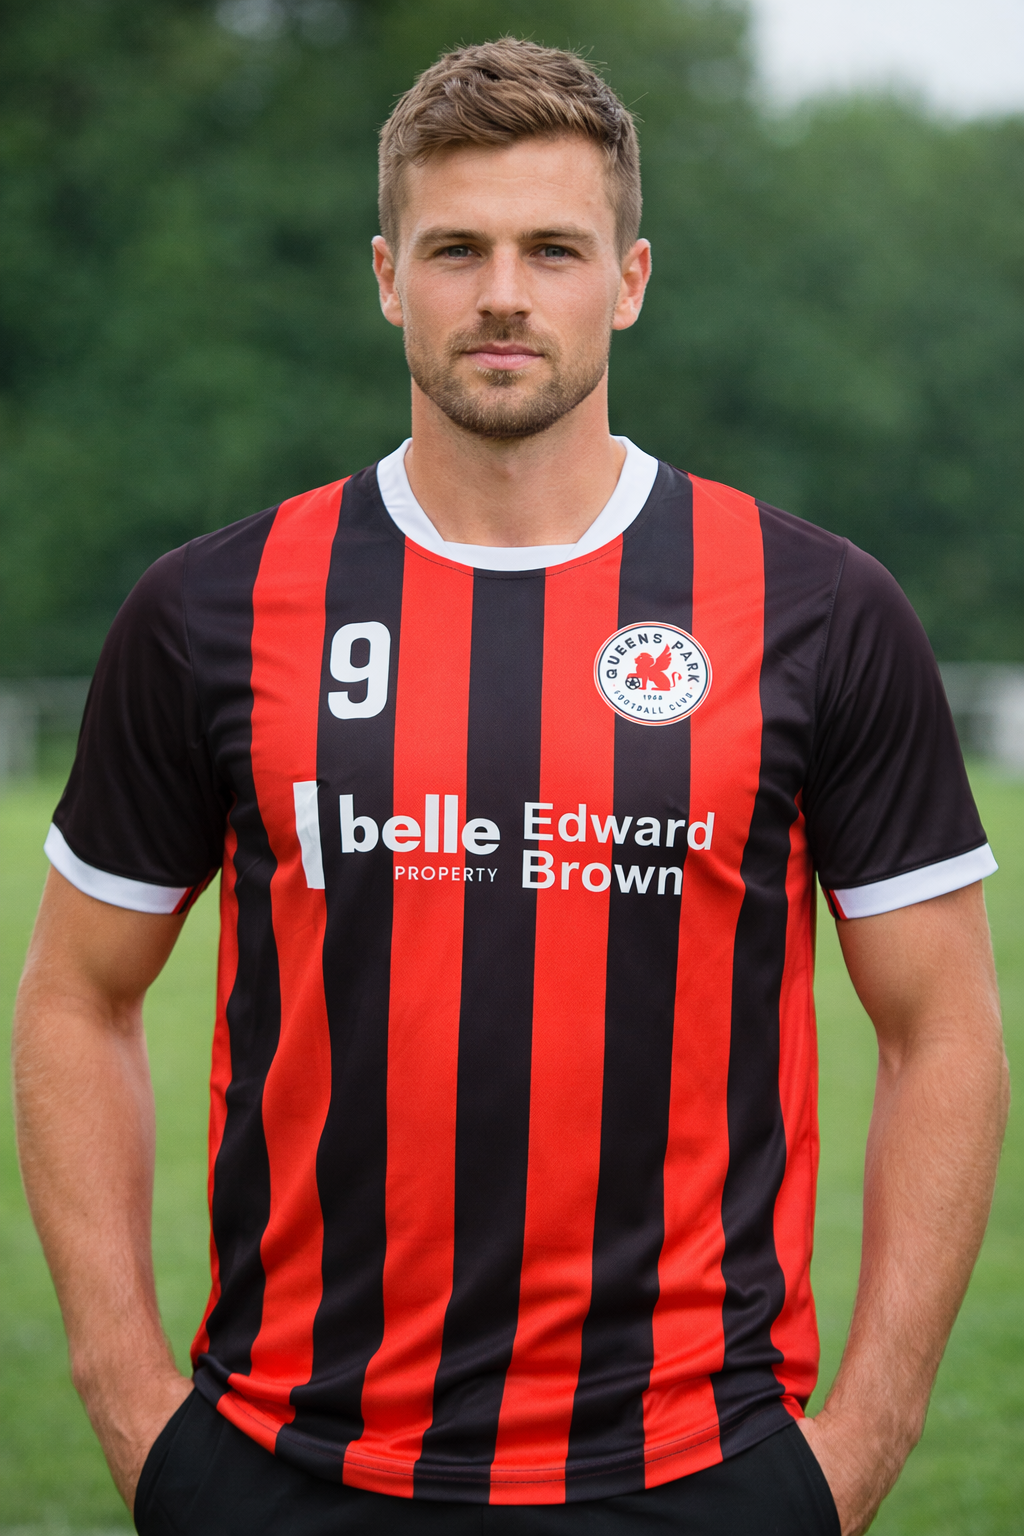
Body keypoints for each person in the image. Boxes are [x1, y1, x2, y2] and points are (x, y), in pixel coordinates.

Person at [12, 37, 1008, 1536]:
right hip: (284, 1466)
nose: (502, 293)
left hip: (698, 1468)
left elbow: (946, 1030)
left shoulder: (817, 608)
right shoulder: (213, 608)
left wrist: (860, 1443)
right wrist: (133, 1410)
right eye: (454, 249)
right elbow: (75, 999)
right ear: (385, 276)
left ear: (630, 280)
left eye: (553, 248)